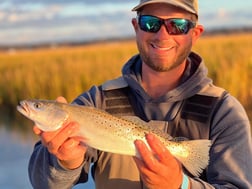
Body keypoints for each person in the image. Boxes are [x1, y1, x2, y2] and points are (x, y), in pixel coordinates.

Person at [28, 0, 252, 188]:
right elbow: (41, 182)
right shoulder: (97, 100)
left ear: (195, 33)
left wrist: (182, 185)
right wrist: (65, 162)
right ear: (136, 27)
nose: (163, 35)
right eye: (151, 23)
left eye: (178, 25)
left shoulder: (224, 111)